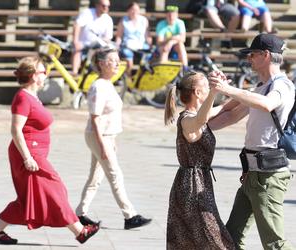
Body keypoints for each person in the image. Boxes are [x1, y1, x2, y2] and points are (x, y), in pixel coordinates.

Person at [0, 56, 99, 245]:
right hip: (28, 154)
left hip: (35, 153)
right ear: (34, 76)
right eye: (44, 72)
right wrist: (27, 158)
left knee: (28, 199)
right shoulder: (22, 97)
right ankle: (80, 231)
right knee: (55, 190)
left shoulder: (32, 96)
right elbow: (16, 129)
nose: (46, 75)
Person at [209, 33, 295, 249]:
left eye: (252, 54)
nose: (249, 59)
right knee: (231, 237)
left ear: (266, 55)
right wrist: (197, 127)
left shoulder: (282, 86)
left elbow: (267, 104)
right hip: (252, 174)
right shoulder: (260, 87)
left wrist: (228, 89)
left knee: (274, 243)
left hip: (268, 177)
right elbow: (231, 116)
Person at [75, 47, 152, 230]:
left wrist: (112, 140)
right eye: (113, 61)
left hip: (106, 136)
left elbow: (109, 117)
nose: (118, 64)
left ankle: (80, 214)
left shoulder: (108, 84)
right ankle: (130, 216)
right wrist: (102, 145)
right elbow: (95, 117)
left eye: (118, 60)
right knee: (115, 175)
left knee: (95, 178)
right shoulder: (98, 86)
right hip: (99, 136)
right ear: (101, 64)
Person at [164, 71, 235, 250]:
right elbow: (200, 118)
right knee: (214, 240)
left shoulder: (199, 115)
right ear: (197, 92)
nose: (209, 89)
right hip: (191, 188)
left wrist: (233, 90)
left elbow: (228, 107)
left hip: (198, 184)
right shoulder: (187, 120)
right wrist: (214, 92)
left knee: (195, 241)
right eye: (206, 87)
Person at [72, 0, 113, 75]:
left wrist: (102, 41)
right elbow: (77, 25)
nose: (106, 8)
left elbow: (108, 38)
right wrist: (75, 41)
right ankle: (75, 73)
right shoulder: (87, 13)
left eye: (108, 6)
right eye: (103, 6)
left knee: (109, 51)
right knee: (77, 49)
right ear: (97, 5)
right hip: (84, 43)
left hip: (98, 46)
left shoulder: (108, 19)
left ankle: (104, 74)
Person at [115, 2, 152, 76]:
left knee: (148, 55)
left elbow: (147, 35)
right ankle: (128, 78)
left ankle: (141, 77)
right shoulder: (123, 20)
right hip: (127, 45)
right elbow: (119, 36)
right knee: (127, 57)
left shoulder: (144, 20)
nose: (134, 12)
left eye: (137, 10)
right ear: (128, 11)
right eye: (132, 9)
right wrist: (116, 46)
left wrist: (150, 45)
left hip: (141, 45)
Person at [155, 5, 188, 70]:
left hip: (175, 46)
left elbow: (183, 39)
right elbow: (159, 42)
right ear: (166, 15)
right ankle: (162, 70)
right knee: (164, 49)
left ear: (177, 15)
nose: (171, 17)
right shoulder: (161, 24)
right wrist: (170, 39)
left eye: (173, 14)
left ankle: (185, 69)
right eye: (169, 15)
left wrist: (171, 42)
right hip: (163, 47)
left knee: (180, 45)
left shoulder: (180, 23)